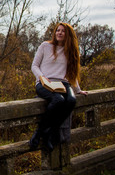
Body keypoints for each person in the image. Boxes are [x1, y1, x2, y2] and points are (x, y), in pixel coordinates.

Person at [29, 22, 88, 151]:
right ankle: (39, 132)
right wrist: (42, 77)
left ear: (68, 35)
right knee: (58, 100)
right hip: (45, 83)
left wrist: (78, 90)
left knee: (71, 100)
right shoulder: (45, 46)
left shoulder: (71, 52)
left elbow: (72, 74)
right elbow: (34, 66)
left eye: (63, 31)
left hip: (63, 84)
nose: (59, 33)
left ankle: (49, 132)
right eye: (58, 30)